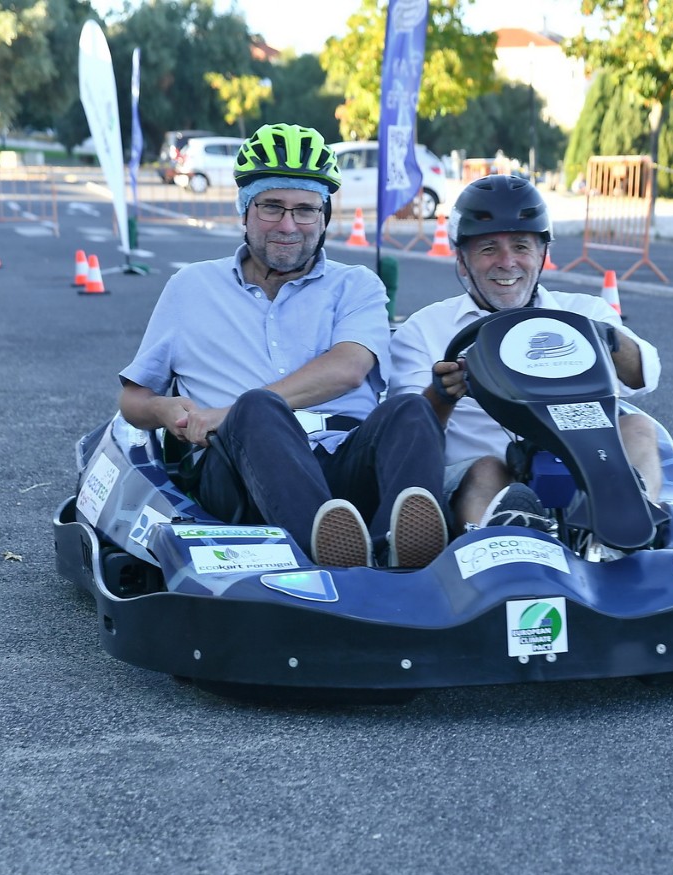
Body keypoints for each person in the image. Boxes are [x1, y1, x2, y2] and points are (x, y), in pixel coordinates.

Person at [118, 123, 448, 569]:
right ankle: (331, 559)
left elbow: (350, 367)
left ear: (324, 216)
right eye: (272, 206)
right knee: (256, 408)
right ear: (245, 211)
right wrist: (165, 411)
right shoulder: (190, 287)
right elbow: (133, 398)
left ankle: (398, 554)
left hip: (341, 457)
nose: (288, 225)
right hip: (238, 471)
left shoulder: (357, 285)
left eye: (305, 210)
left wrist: (225, 410)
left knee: (412, 409)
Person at [386, 174, 673, 532]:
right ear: (462, 260)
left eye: (521, 247)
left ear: (542, 255)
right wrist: (442, 394)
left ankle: (630, 523)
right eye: (488, 249)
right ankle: (506, 538)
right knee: (487, 470)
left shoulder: (584, 311)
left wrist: (604, 338)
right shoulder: (424, 329)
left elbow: (643, 376)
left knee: (638, 427)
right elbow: (408, 433)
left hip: (584, 462)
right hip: (479, 475)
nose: (507, 262)